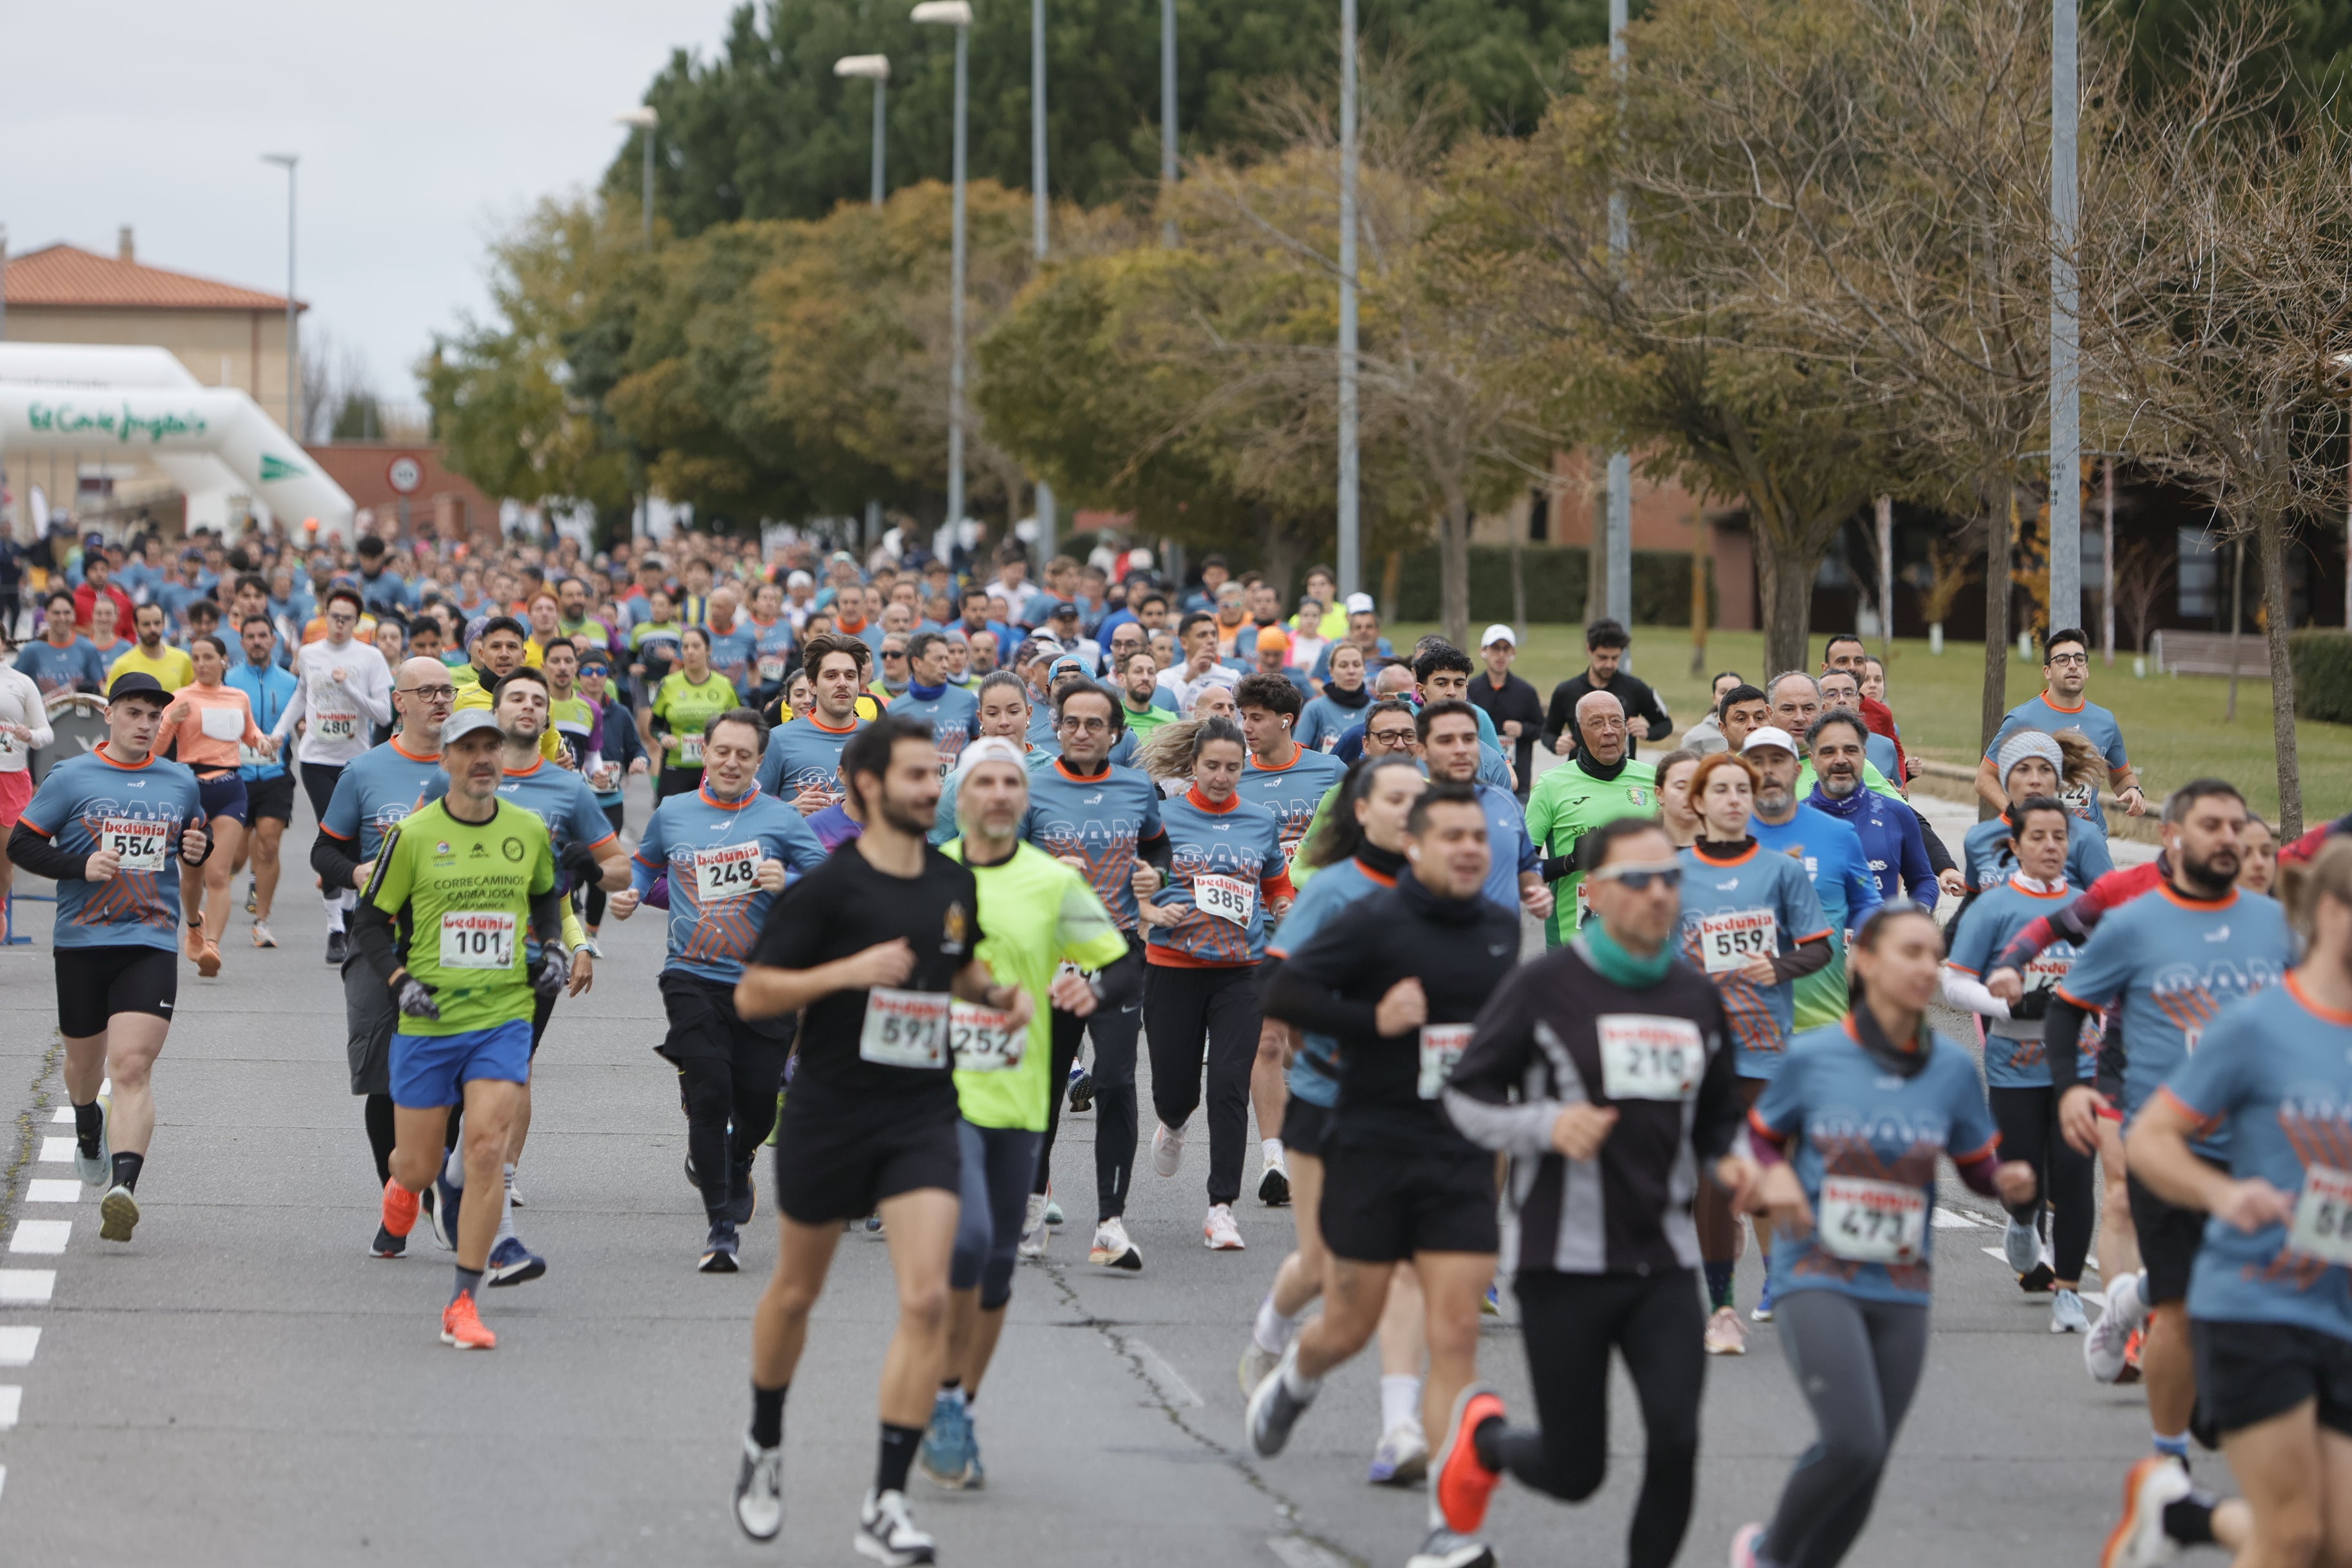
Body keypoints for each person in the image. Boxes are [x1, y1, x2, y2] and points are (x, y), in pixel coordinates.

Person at [730, 717, 1034, 1560]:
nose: (931, 789)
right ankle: (764, 1442)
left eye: (936, 775)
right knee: (795, 1294)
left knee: (928, 1297)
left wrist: (994, 993)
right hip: (830, 1111)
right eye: (915, 777)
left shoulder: (950, 880)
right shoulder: (826, 892)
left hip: (923, 1114)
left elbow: (957, 962)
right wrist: (847, 974)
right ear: (867, 787)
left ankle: (886, 1504)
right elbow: (755, 996)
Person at [1437, 815, 1746, 1568]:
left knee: (1677, 1441)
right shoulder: (1544, 987)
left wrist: (1747, 1167)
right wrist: (1544, 1123)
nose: (1660, 895)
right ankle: (1483, 1440)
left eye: (1671, 879)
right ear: (1598, 892)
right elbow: (1464, 1097)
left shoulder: (1695, 997)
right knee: (1578, 1472)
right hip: (1560, 1257)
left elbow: (1717, 1126)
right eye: (1640, 881)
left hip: (1663, 1260)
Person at [1246, 781, 1522, 1568]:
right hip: (1370, 1143)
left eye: (1480, 835)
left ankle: (1449, 1523)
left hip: (1460, 1153)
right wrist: (1375, 1020)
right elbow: (1282, 988)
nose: (1471, 847)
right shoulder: (1370, 919)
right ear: (1416, 846)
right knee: (1349, 1319)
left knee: (1457, 1334)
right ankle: (1297, 1373)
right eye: (1452, 835)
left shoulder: (1503, 931)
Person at [1725, 905, 2037, 1568]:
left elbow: (1975, 1164)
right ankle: (1767, 1553)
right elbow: (1758, 1135)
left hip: (1902, 1281)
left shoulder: (1950, 1069)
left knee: (1868, 1463)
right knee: (1853, 1442)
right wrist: (1773, 1174)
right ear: (1864, 960)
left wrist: (2004, 1178)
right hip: (1816, 1269)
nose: (1927, 967)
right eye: (1910, 952)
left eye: (1934, 954)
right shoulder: (1814, 1055)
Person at [2044, 780, 2291, 1563]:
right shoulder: (2137, 924)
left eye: (2236, 825)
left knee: (2249, 1291)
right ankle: (2170, 1459)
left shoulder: (2277, 924)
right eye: (2210, 824)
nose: (2227, 837)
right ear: (2174, 836)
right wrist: (2074, 1089)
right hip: (2165, 1141)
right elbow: (2066, 1007)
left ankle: (2132, 1301)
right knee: (2185, 1302)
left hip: (2264, 1145)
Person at [2117, 838, 2352, 1568]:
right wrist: (2222, 1190)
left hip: (2341, 1306)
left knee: (2337, 1544)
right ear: (2333, 912)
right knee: (2292, 1536)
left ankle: (2184, 1518)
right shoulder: (2260, 1025)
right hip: (2257, 1302)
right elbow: (2152, 1137)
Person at [918, 740, 1141, 1487]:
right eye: (985, 780)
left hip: (1017, 1095)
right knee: (969, 1238)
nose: (1000, 792)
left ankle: (956, 1401)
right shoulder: (925, 873)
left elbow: (1119, 959)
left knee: (997, 1268)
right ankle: (938, 1385)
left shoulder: (1051, 880)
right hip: (935, 1094)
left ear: (1026, 797)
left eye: (1014, 780)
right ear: (961, 792)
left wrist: (1094, 991)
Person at [356, 709, 570, 1351]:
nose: (482, 758)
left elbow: (544, 894)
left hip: (503, 1013)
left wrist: (554, 945)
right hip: (427, 1017)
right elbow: (371, 923)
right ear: (445, 759)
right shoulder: (415, 835)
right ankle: (403, 1190)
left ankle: (463, 1303)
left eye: (491, 747)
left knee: (484, 1150)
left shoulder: (528, 829)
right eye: (468, 748)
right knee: (419, 1164)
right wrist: (400, 983)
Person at [607, 707, 825, 1271]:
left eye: (744, 755)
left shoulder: (780, 818)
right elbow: (646, 863)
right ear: (704, 752)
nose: (731, 762)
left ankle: (740, 1154)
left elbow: (830, 884)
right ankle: (720, 1228)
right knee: (708, 1096)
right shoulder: (675, 811)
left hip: (765, 982)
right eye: (722, 751)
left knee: (756, 1105)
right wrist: (630, 891)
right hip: (691, 975)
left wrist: (791, 879)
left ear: (759, 761)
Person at [6, 672, 210, 1244]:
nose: (146, 725)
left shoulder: (179, 781)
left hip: (149, 939)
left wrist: (201, 846)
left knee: (131, 1067)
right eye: (135, 714)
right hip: (81, 941)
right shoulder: (72, 778)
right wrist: (81, 866)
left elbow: (191, 841)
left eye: (154, 717)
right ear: (110, 716)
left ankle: (124, 1187)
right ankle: (86, 1123)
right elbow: (22, 845)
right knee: (84, 1070)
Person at [1678, 747, 1834, 1342]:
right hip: (1705, 1053)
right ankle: (1722, 1309)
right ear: (1698, 803)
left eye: (1742, 789)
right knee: (1715, 1181)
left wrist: (1780, 967)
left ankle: (1788, 1282)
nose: (1734, 799)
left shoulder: (1782, 871)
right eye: (1720, 790)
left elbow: (1818, 946)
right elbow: (1648, 958)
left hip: (1769, 1046)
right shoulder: (1673, 872)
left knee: (1771, 1180)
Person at [1019, 680, 1169, 1269]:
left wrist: (1152, 878)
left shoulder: (1136, 786)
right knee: (1045, 1088)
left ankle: (1110, 1221)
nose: (1082, 732)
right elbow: (1000, 862)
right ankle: (1031, 1206)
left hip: (1115, 955)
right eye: (1072, 722)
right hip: (1047, 959)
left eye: (1095, 724)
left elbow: (1157, 849)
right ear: (1057, 727)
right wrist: (1044, 867)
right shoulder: (1031, 786)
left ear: (1115, 733)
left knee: (1114, 1080)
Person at [312, 658, 460, 1257]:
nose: (439, 701)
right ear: (398, 701)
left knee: (451, 1078)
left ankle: (439, 1183)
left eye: (447, 690)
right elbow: (325, 851)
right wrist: (357, 869)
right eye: (426, 691)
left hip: (451, 949)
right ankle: (397, 1197)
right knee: (382, 1080)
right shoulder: (366, 771)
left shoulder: (470, 769)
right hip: (377, 944)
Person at [1940, 795, 2100, 1330]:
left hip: (2078, 1067)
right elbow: (1953, 982)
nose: (2051, 846)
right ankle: (2023, 1220)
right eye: (2039, 837)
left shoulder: (2087, 907)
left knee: (2076, 1176)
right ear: (2015, 846)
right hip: (2015, 1063)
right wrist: (2010, 1003)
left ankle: (2069, 1294)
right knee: (2025, 1174)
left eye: (2060, 837)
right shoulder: (1995, 907)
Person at [1142, 716, 1295, 1251]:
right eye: (1213, 767)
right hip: (1173, 968)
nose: (1223, 777)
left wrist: (1282, 905)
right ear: (1193, 766)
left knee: (1229, 1084)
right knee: (1174, 1091)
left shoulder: (1258, 819)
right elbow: (1136, 880)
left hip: (1241, 971)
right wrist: (1149, 908)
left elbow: (1276, 880)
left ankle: (1221, 1208)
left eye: (1233, 767)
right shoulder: (1161, 820)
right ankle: (1173, 1123)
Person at [1233, 672, 1349, 1207]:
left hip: (1320, 926)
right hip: (1255, 922)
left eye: (1257, 717)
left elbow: (1352, 840)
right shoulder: (1234, 775)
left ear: (1285, 720)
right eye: (1243, 716)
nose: (1247, 727)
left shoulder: (1330, 770)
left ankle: (1319, 1107)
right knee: (1267, 1040)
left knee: (1309, 1042)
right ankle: (1274, 1158)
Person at [269, 587, 395, 966]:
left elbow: (383, 715)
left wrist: (349, 687)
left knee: (356, 838)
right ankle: (334, 929)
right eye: (333, 617)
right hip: (316, 759)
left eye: (347, 619)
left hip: (356, 761)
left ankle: (353, 912)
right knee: (331, 837)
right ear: (324, 616)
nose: (339, 624)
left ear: (357, 623)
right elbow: (300, 696)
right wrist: (279, 733)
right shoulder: (309, 654)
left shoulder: (370, 657)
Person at [152, 634, 274, 976]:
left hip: (231, 788)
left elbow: (250, 733)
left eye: (209, 657)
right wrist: (170, 719)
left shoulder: (238, 696)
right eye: (196, 658)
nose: (202, 664)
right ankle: (194, 925)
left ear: (224, 661)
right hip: (191, 790)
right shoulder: (180, 698)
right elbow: (158, 749)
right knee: (191, 876)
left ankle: (213, 946)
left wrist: (262, 742)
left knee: (218, 874)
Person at [1524, 691, 1658, 947]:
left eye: (1616, 721)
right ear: (1578, 732)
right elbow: (1523, 871)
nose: (1609, 731)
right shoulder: (1551, 785)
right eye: (1596, 723)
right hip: (1575, 945)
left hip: (1643, 936)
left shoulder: (1653, 779)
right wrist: (1570, 862)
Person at [1977, 627, 2146, 827]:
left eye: (2079, 659)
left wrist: (2134, 790)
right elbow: (1984, 778)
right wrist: (2015, 816)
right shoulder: (2021, 719)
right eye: (2063, 660)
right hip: (2039, 836)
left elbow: (2122, 778)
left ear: (2087, 670)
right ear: (2047, 671)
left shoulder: (2105, 722)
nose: (2073, 666)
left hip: (2089, 838)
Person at [1419, 699, 1551, 921]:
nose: (1461, 750)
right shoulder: (1410, 808)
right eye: (1446, 741)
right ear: (1422, 749)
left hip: (1499, 949)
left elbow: (1528, 864)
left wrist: (1536, 890)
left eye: (1469, 739)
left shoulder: (1505, 803)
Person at [1803, 711, 1938, 911]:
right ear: (1813, 760)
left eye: (1850, 750)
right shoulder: (1793, 820)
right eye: (1828, 752)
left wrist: (1917, 916)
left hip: (1878, 941)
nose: (1841, 760)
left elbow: (1923, 880)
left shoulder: (1897, 814)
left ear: (1864, 755)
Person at [1961, 730, 2116, 894]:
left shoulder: (2086, 836)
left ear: (2057, 780)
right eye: (2023, 770)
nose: (2035, 780)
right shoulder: (1978, 838)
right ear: (2006, 779)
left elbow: (2114, 904)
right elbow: (1972, 903)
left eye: (2045, 770)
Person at [226, 613, 299, 948]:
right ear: (242, 643)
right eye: (250, 637)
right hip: (237, 776)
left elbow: (304, 723)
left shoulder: (290, 683)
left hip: (274, 775)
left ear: (274, 641)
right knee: (238, 856)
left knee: (268, 845)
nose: (257, 641)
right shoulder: (228, 681)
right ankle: (216, 887)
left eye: (263, 636)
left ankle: (262, 921)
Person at [758, 633, 869, 812]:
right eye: (831, 676)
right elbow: (754, 811)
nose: (842, 683)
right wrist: (791, 810)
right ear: (813, 685)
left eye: (850, 676)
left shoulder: (878, 738)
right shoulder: (779, 740)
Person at [1541, 619, 1671, 759]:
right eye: (1603, 658)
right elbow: (1547, 733)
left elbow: (1665, 724)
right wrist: (1556, 744)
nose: (1609, 664)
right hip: (1581, 773)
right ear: (1589, 650)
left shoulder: (1635, 688)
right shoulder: (1566, 691)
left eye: (1615, 658)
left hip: (1623, 772)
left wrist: (1648, 732)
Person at [0, 639, 54, 940]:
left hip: (10, 777)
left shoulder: (20, 682)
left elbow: (46, 733)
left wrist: (28, 734)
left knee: (5, 858)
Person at [650, 627, 741, 799]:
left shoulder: (724, 685)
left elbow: (739, 725)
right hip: (676, 765)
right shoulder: (668, 684)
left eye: (696, 646)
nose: (690, 652)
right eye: (685, 647)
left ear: (709, 650)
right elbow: (654, 726)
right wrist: (663, 737)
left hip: (715, 767)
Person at [890, 629, 981, 774]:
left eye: (946, 658)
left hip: (959, 792)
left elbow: (979, 745)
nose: (946, 665)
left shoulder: (967, 700)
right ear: (917, 663)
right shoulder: (895, 709)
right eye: (939, 659)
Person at [1468, 625, 1544, 796]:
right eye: (1495, 648)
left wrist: (1523, 729)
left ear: (1513, 653)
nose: (1501, 654)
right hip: (1478, 779)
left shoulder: (1526, 691)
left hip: (1518, 783)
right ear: (1483, 651)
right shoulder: (1470, 690)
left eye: (1506, 649)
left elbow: (1542, 729)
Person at [16, 590, 107, 696]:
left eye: (67, 613)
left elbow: (101, 688)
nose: (62, 618)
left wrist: (94, 689)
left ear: (74, 615)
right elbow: (14, 685)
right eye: (56, 613)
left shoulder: (88, 648)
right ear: (46, 616)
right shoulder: (32, 651)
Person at [1298, 640, 1373, 754]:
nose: (1351, 671)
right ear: (1331, 671)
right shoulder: (1314, 708)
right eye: (1343, 666)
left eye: (1357, 665)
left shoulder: (1376, 710)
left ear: (1364, 669)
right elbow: (1299, 754)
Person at [110, 602, 196, 692]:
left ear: (163, 624)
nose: (153, 629)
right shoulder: (122, 665)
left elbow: (191, 695)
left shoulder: (183, 659)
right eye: (146, 624)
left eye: (157, 623)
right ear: (135, 627)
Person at [1679, 672, 1747, 756]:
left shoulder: (1755, 730)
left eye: (1736, 692)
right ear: (1714, 698)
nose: (1730, 697)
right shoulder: (1695, 737)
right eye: (1723, 692)